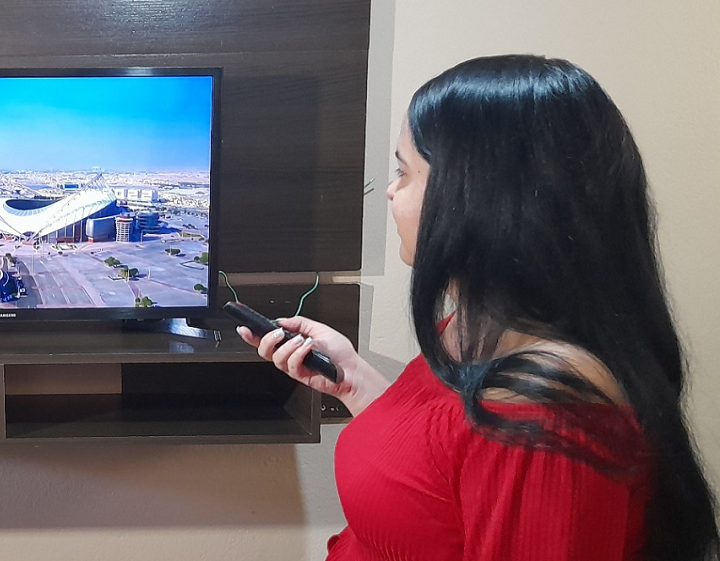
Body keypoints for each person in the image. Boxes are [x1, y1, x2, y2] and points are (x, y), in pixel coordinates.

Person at [238, 55, 720, 561]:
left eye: (404, 171)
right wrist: (352, 378)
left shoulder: (545, 419)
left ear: (479, 196)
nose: (391, 192)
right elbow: (436, 472)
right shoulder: (476, 329)